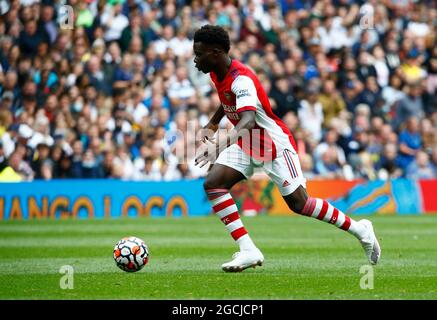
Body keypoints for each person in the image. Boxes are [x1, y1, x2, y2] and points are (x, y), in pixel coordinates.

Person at [192, 25, 381, 272]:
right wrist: (213, 122)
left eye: (199, 54)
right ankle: (248, 249)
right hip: (248, 142)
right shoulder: (217, 72)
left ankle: (361, 229)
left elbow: (248, 120)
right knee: (213, 184)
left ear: (216, 52)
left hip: (273, 143)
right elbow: (227, 100)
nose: (195, 59)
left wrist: (218, 145)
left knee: (300, 204)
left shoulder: (242, 80)